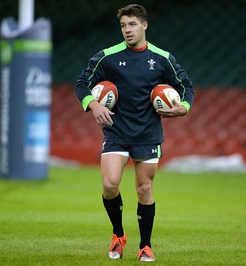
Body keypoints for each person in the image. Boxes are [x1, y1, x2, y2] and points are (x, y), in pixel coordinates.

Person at [74, 4, 194, 262]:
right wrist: (93, 104)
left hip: (148, 134)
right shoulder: (107, 57)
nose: (127, 30)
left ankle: (146, 246)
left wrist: (183, 108)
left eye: (132, 25)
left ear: (144, 25)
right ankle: (118, 235)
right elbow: (82, 83)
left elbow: (186, 85)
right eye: (123, 26)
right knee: (109, 185)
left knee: (144, 189)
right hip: (116, 131)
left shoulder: (162, 58)